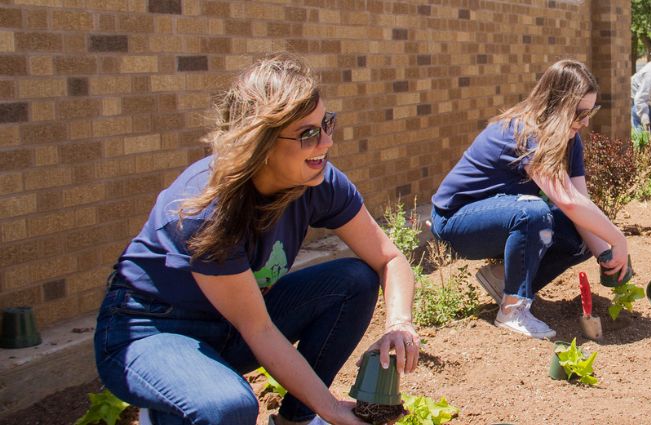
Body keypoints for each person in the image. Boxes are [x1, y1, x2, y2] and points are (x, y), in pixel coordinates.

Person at [93, 53, 420, 425]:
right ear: (260, 141)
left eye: (326, 124)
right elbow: (259, 330)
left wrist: (399, 322)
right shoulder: (207, 208)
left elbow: (388, 259)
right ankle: (179, 393)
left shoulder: (319, 181)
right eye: (308, 133)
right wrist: (329, 408)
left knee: (354, 281)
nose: (326, 142)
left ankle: (294, 420)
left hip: (235, 326)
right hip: (154, 331)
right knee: (226, 408)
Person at [430, 59, 631, 340]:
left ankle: (503, 280)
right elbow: (567, 201)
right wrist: (619, 239)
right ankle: (513, 309)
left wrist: (606, 256)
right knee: (534, 212)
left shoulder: (569, 139)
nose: (586, 122)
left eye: (591, 111)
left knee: (583, 236)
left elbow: (580, 203)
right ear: (558, 106)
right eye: (581, 112)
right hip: (457, 221)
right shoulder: (527, 133)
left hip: (503, 216)